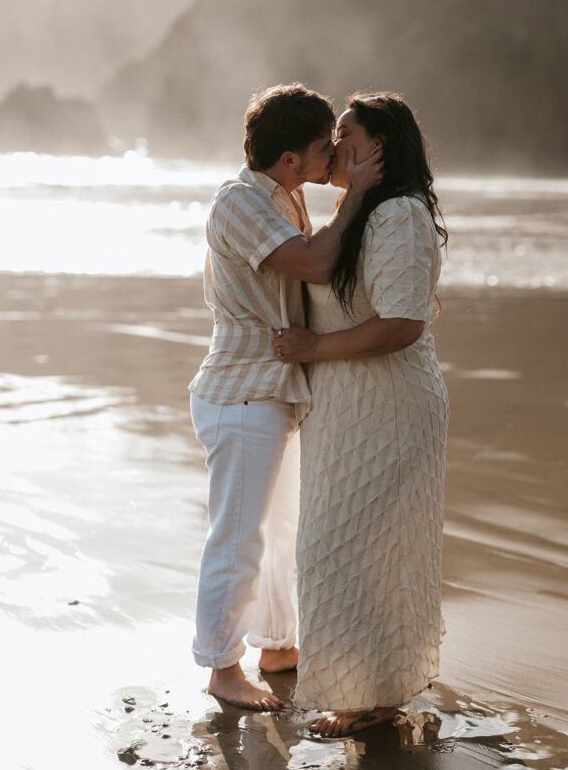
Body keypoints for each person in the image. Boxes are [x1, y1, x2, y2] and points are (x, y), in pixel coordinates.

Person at [189, 83, 383, 710]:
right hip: (242, 389)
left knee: (280, 532)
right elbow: (315, 265)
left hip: (273, 388)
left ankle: (277, 644)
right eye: (324, 148)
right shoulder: (241, 202)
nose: (334, 156)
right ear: (291, 160)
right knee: (240, 535)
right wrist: (355, 198)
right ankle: (222, 666)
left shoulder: (285, 198)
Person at [272, 92, 449, 736]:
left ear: (376, 147)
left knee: (334, 550)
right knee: (354, 550)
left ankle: (366, 694)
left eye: (345, 132)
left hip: (391, 405)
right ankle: (377, 693)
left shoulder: (399, 214)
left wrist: (316, 347)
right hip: (345, 407)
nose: (332, 140)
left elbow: (402, 323)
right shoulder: (361, 211)